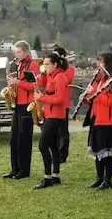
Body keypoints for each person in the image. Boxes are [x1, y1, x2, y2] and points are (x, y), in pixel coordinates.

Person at [86, 52, 112, 190]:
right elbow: (94, 101)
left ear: (108, 64)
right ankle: (99, 178)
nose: (98, 66)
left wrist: (95, 93)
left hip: (110, 121)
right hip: (97, 119)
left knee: (108, 153)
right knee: (98, 152)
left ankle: (108, 180)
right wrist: (87, 97)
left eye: (100, 63)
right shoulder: (100, 80)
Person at [32, 52, 70, 189]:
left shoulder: (60, 77)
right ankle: (55, 176)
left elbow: (60, 99)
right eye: (44, 64)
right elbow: (40, 84)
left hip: (56, 115)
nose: (45, 66)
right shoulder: (50, 75)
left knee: (43, 145)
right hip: (50, 113)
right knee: (53, 146)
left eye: (47, 64)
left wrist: (42, 98)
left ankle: (47, 177)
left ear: (55, 65)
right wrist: (42, 74)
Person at [3, 41, 40, 179]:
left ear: (26, 52)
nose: (16, 55)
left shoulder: (33, 65)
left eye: (18, 52)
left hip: (27, 106)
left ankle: (24, 171)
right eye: (15, 53)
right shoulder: (20, 65)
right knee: (14, 138)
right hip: (18, 104)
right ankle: (15, 169)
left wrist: (17, 82)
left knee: (24, 139)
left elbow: (34, 85)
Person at [53, 46, 75, 163]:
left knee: (63, 131)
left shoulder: (69, 69)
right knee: (55, 131)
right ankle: (55, 152)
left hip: (64, 103)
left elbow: (67, 80)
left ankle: (62, 154)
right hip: (53, 104)